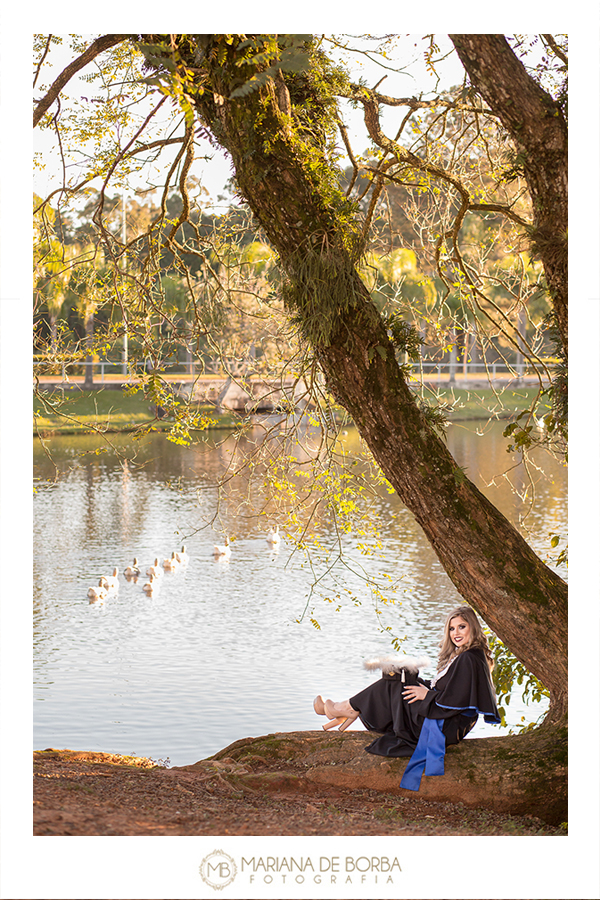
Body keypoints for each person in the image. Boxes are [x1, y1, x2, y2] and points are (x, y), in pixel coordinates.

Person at [313, 605, 500, 791]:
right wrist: (419, 682)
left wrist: (427, 695)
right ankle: (347, 708)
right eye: (451, 628)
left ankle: (344, 709)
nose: (455, 633)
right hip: (443, 715)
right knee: (399, 678)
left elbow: (457, 700)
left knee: (394, 685)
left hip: (445, 724)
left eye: (462, 627)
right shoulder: (465, 655)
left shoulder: (469, 658)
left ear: (473, 627)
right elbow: (448, 689)